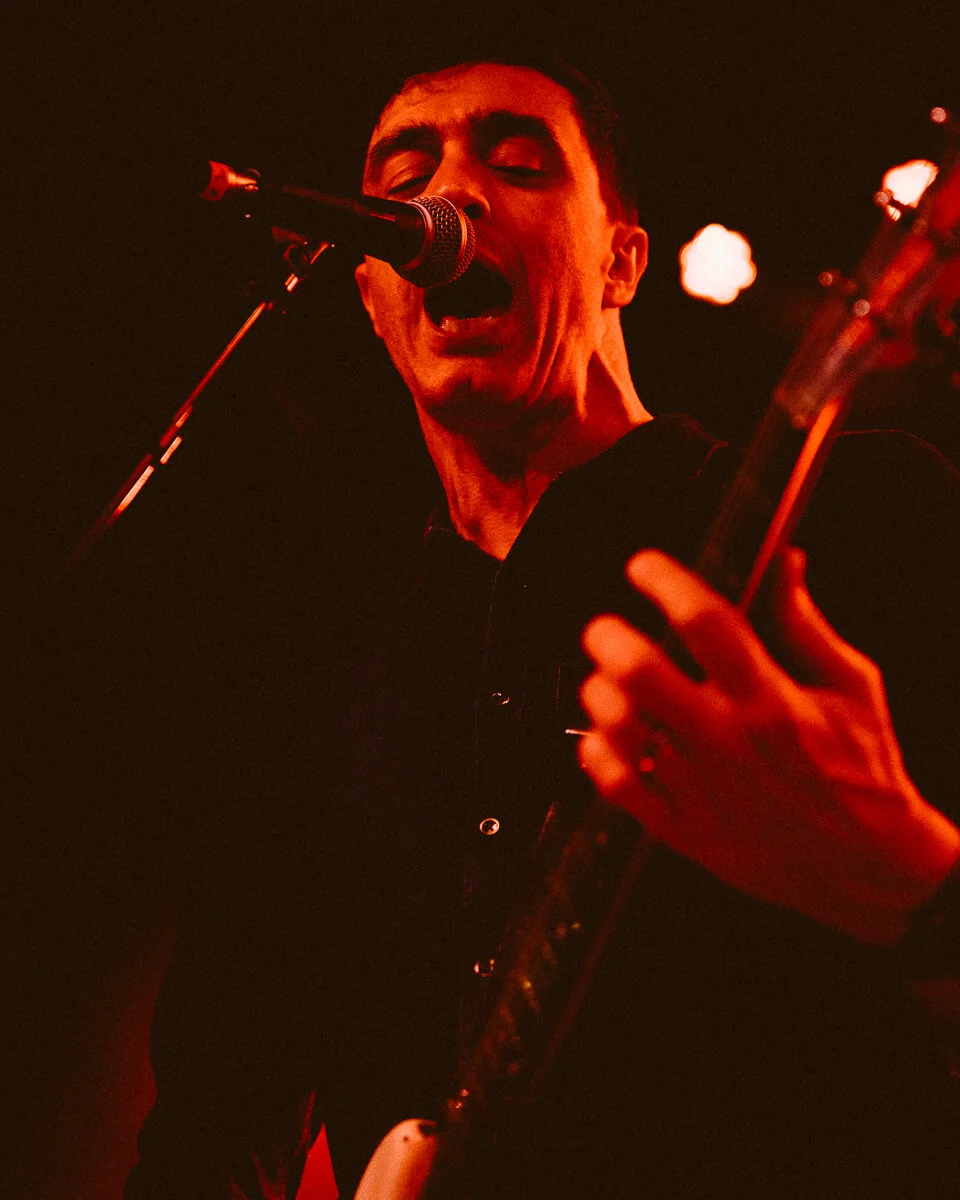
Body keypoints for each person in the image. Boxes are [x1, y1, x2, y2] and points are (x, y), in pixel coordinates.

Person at [126, 51, 960, 1199]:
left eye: (519, 163)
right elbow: (209, 1131)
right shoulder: (316, 690)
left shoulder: (857, 516)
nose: (449, 196)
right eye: (404, 179)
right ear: (372, 297)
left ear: (623, 260)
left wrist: (913, 885)